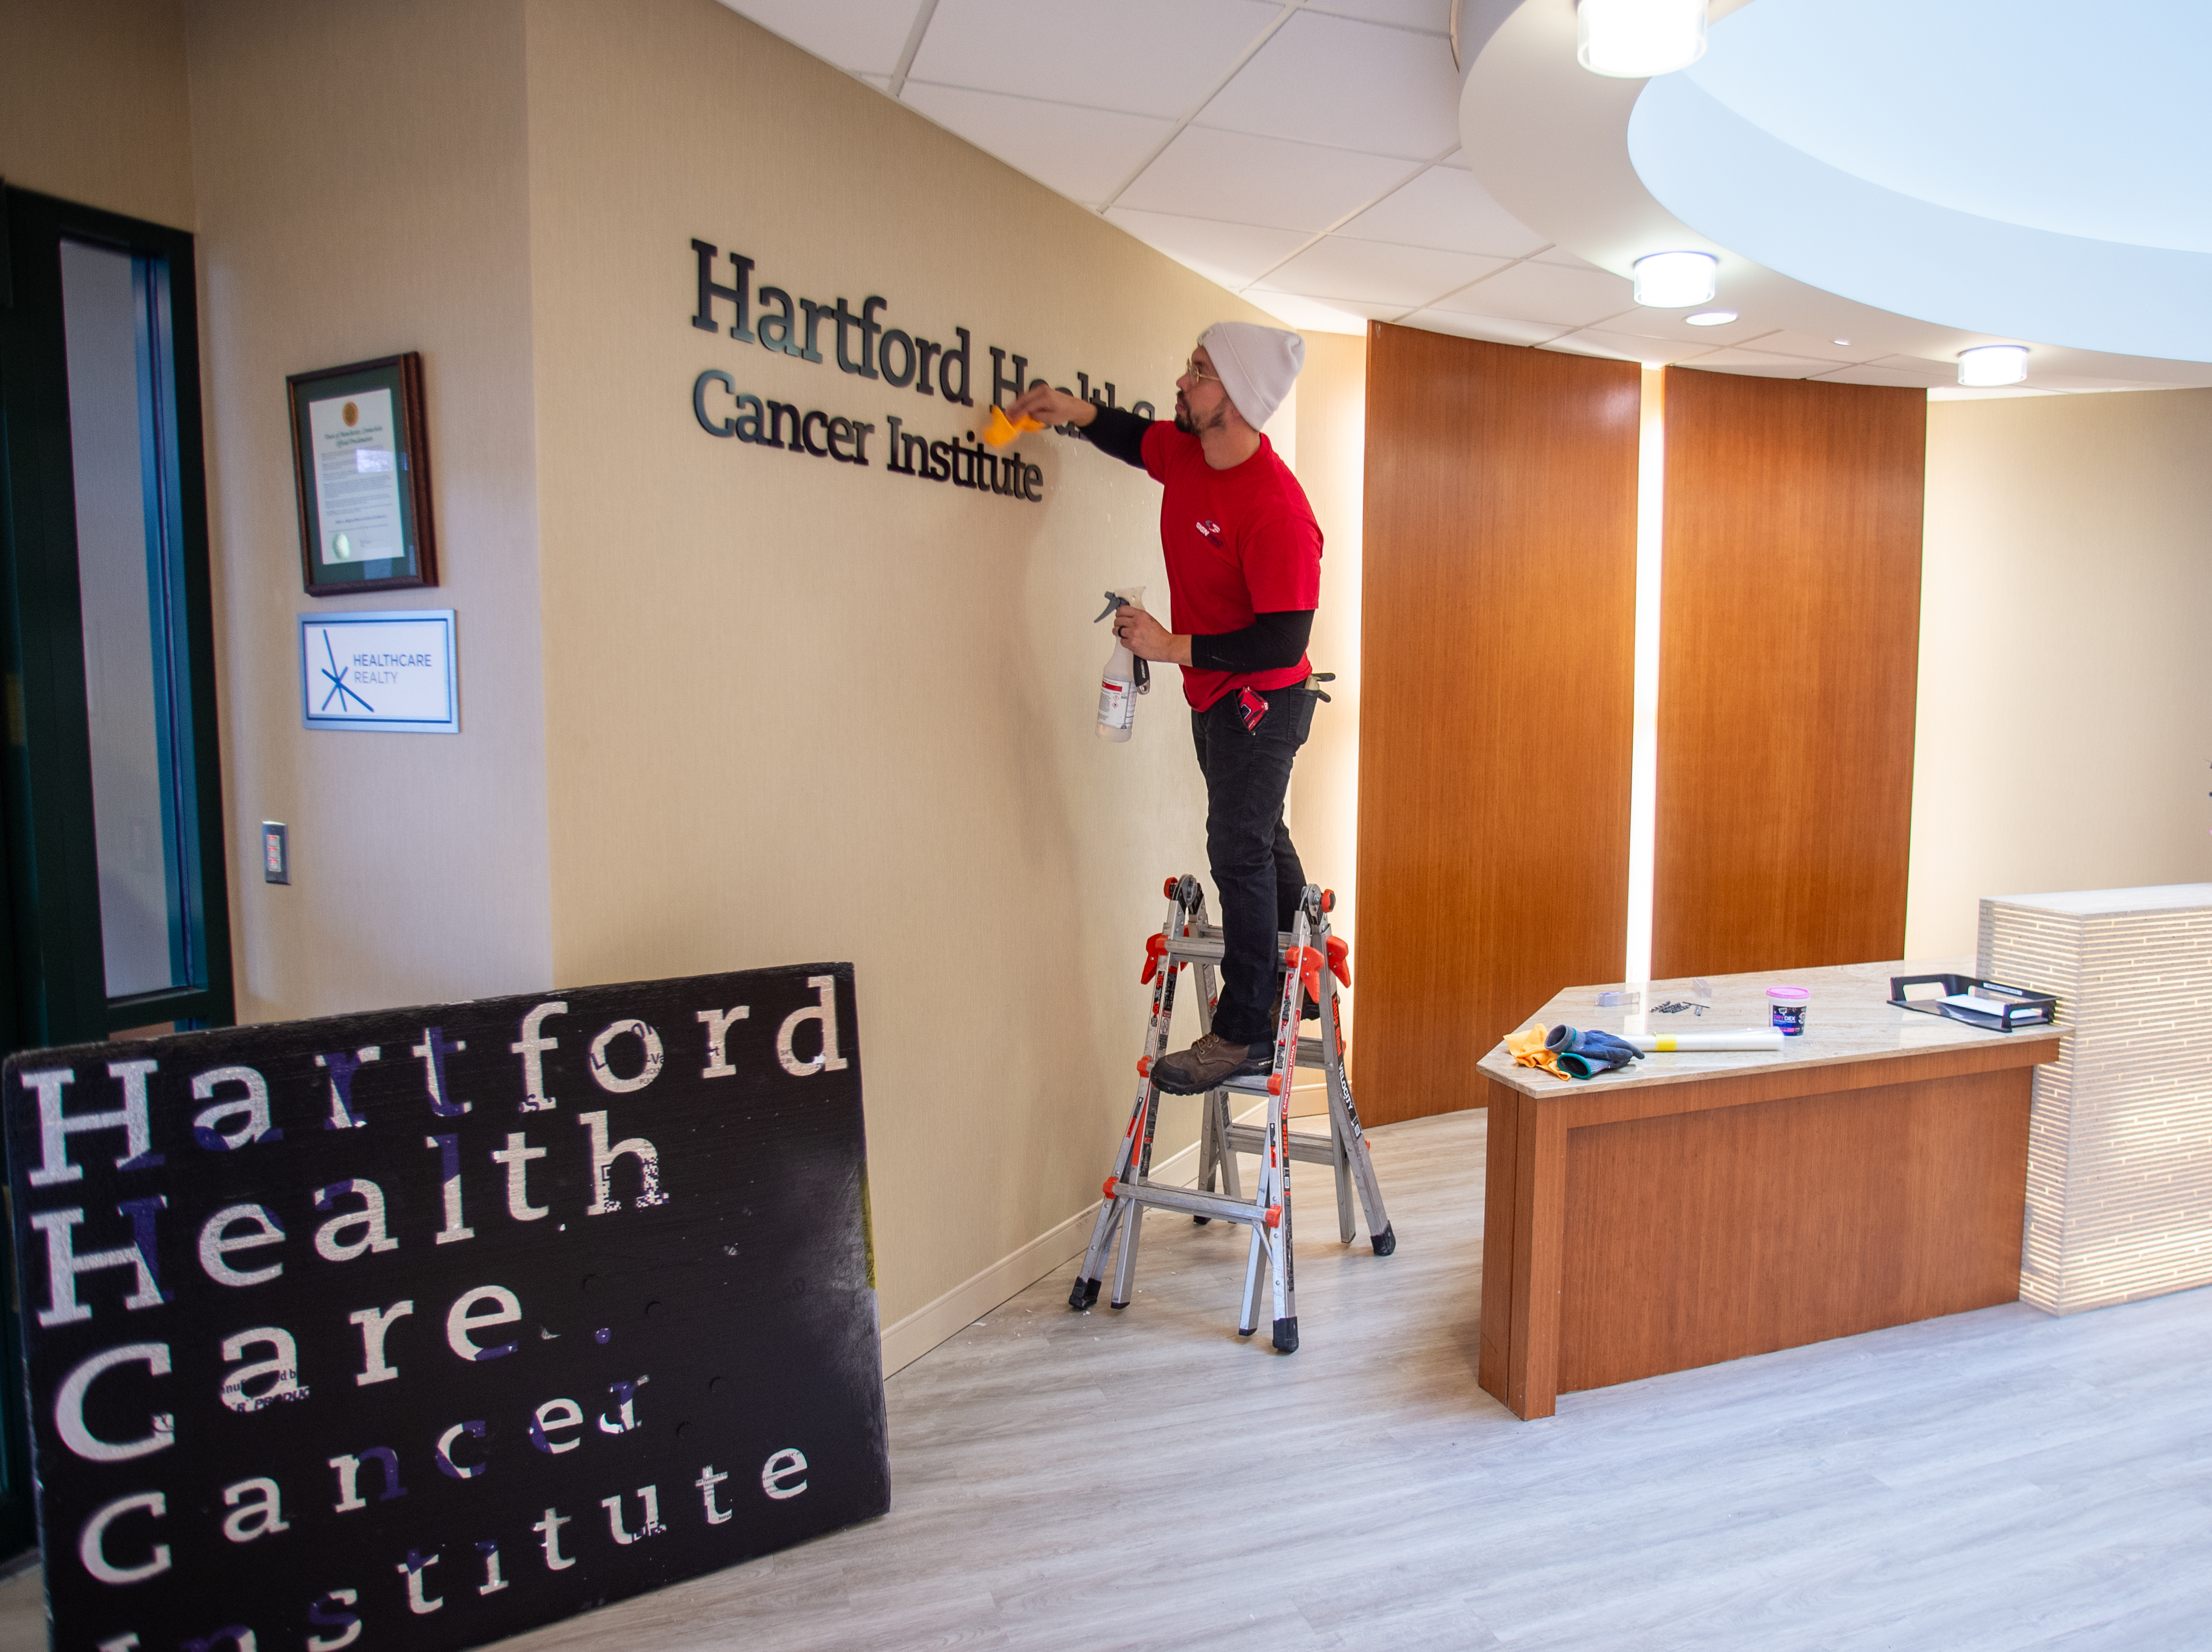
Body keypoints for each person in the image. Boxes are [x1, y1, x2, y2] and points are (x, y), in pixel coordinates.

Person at [1007, 323, 1323, 1096]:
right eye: (1189, 365)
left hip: (1265, 698)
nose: (1183, 382)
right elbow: (1128, 435)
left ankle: (1246, 1031)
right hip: (1213, 696)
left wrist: (1170, 644)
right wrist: (1067, 409)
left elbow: (1283, 640)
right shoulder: (1190, 453)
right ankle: (1302, 976)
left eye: (1201, 372)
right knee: (1259, 833)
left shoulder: (1277, 509)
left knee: (1236, 847)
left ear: (1241, 397)